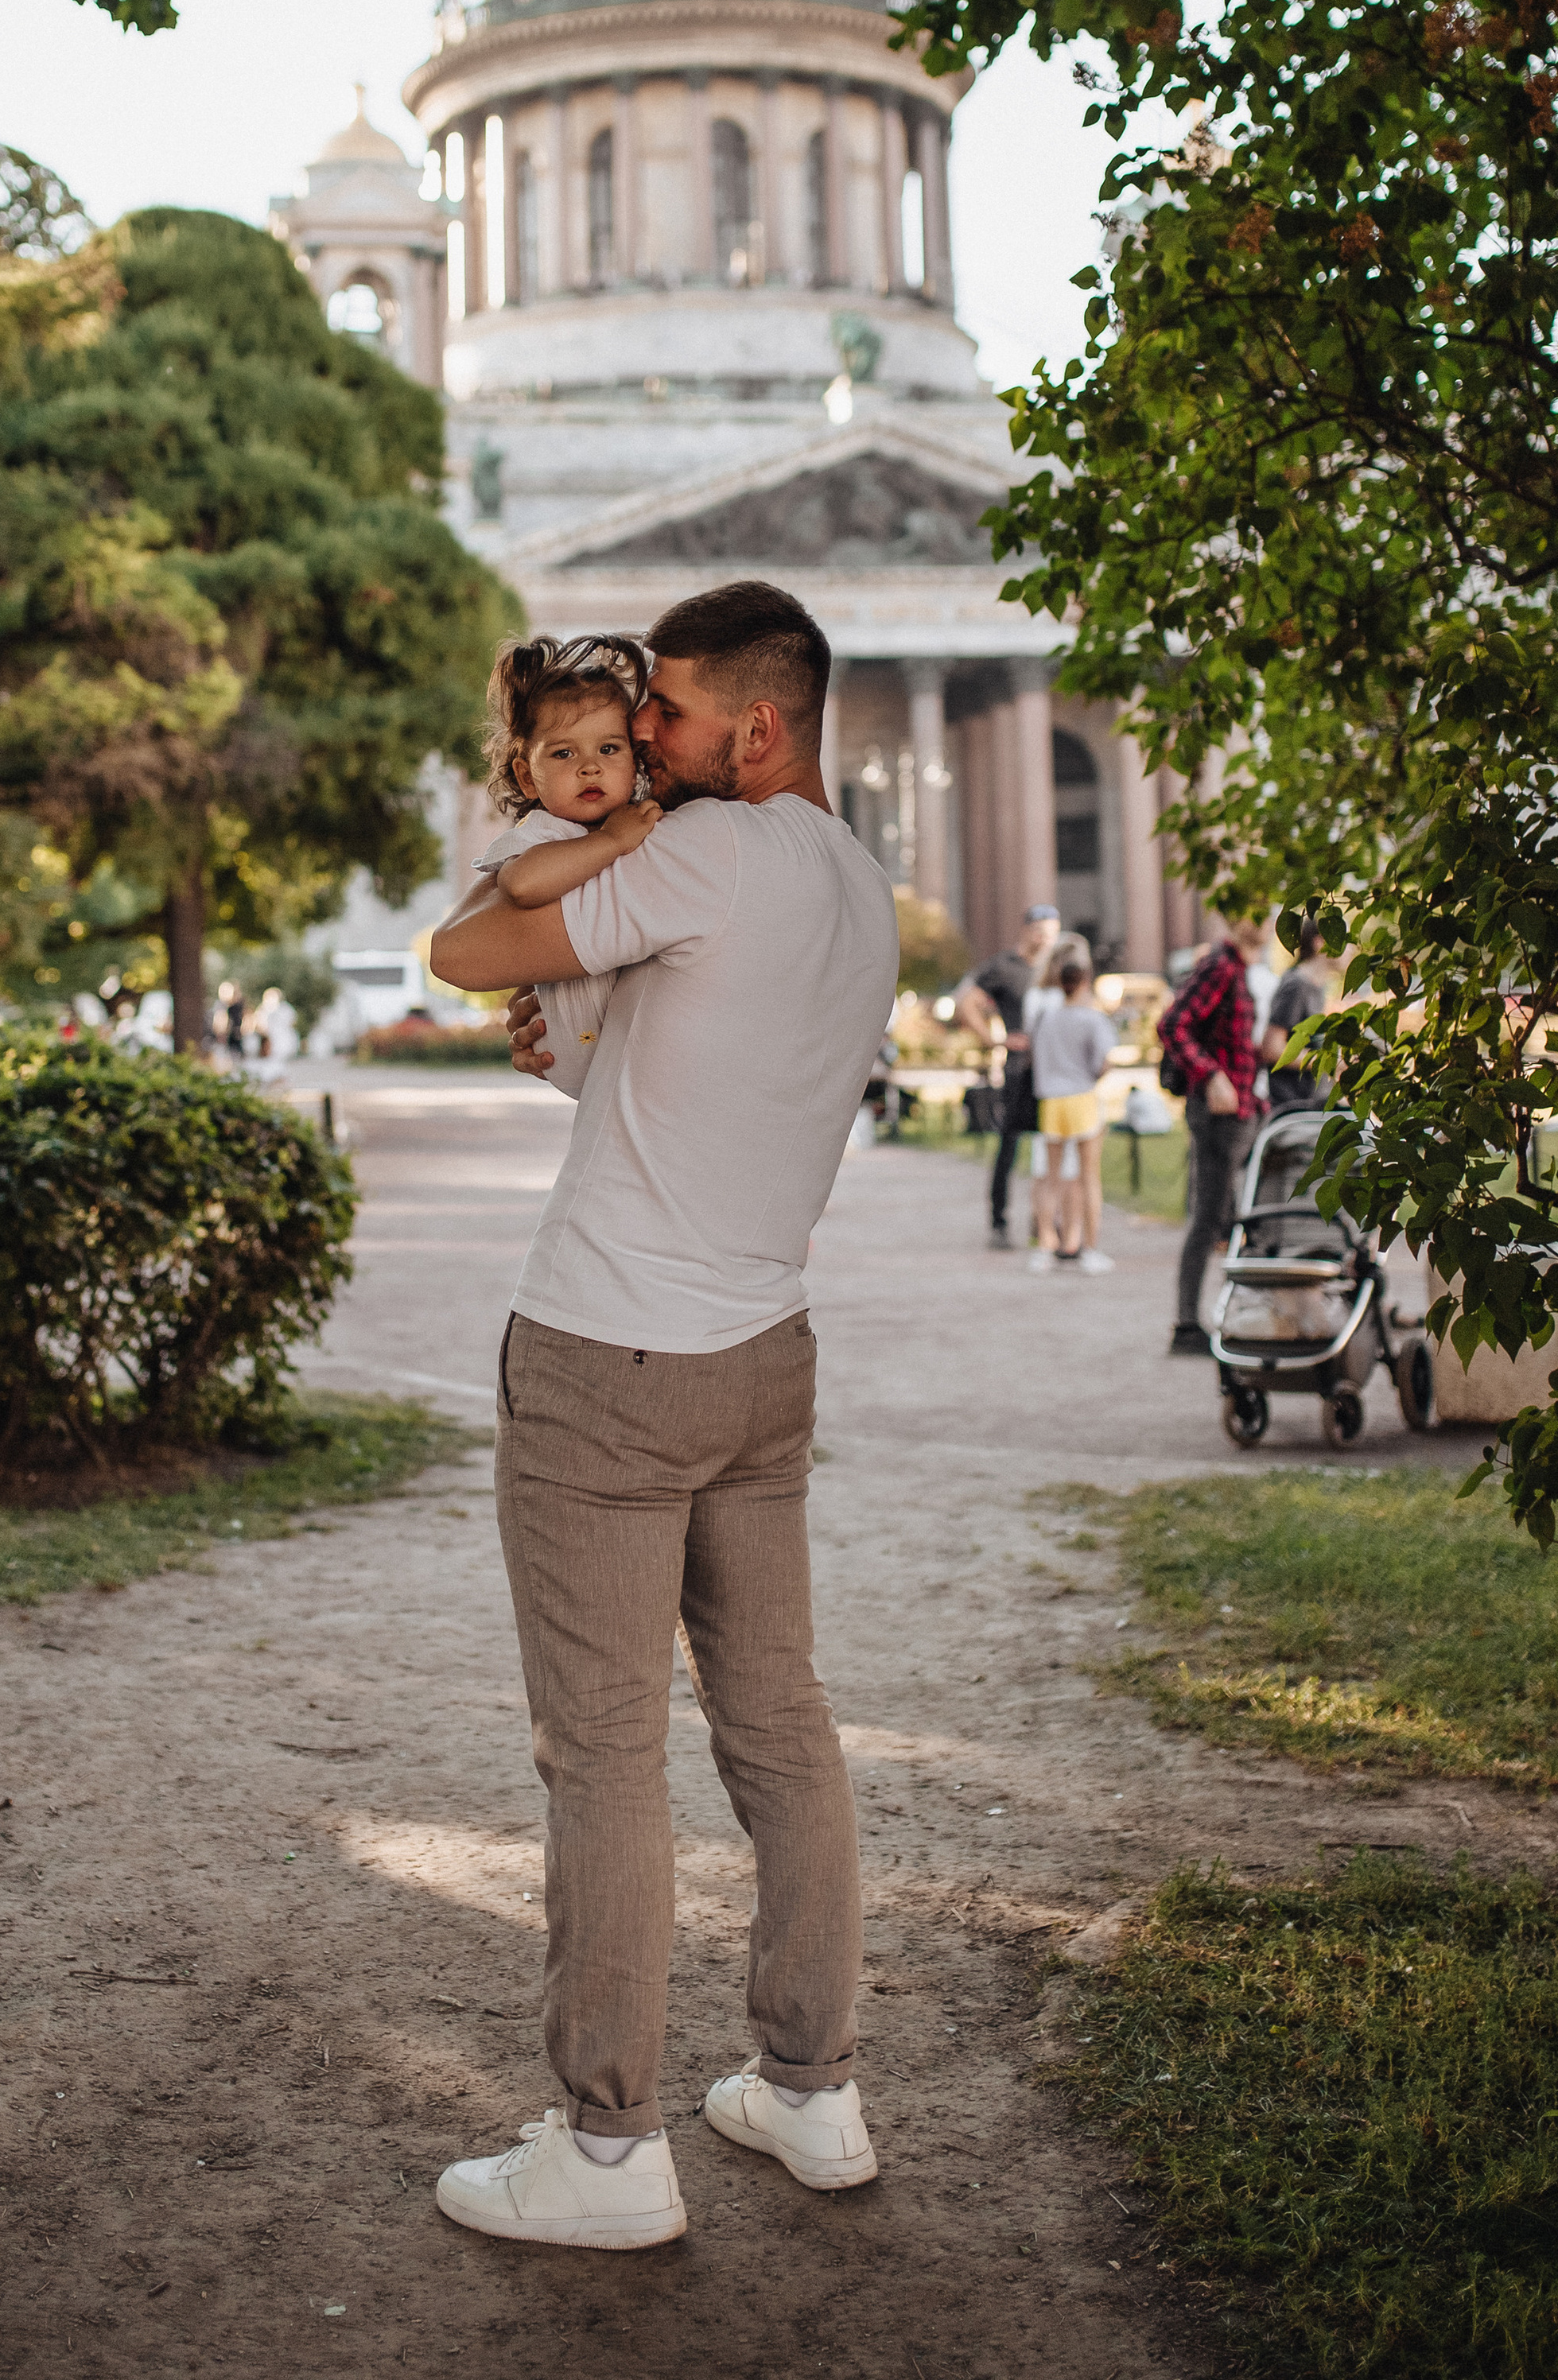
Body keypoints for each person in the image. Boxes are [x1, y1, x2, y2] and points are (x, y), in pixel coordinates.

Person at [426, 579, 899, 2254]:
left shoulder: (704, 848)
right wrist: (575, 1047)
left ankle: (609, 2149)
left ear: (754, 728)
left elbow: (462, 948)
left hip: (606, 1358)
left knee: (606, 1749)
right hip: (762, 1355)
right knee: (780, 1721)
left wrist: (559, 863)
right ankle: (811, 2087)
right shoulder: (856, 884)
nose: (640, 744)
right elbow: (690, 1067)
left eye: (669, 718)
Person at [469, 633, 657, 1084]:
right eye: (564, 753)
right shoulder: (543, 833)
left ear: (635, 762)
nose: (589, 766)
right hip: (573, 1049)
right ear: (527, 777)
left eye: (609, 749)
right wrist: (611, 842)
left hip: (634, 1055)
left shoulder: (640, 821)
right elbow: (522, 884)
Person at [1160, 914, 1270, 1354]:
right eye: (1257, 911)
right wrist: (1210, 1076)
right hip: (1218, 1117)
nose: (1267, 921)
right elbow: (1172, 1024)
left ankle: (1248, 1317)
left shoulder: (1239, 969)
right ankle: (1187, 1326)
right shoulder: (1221, 966)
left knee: (1237, 1218)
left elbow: (1234, 1044)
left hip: (1241, 1112)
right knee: (1209, 1219)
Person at [954, 906, 1061, 1247]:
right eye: (1041, 931)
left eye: (1052, 932)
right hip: (1019, 1071)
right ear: (1027, 930)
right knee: (1009, 1146)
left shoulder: (1056, 967)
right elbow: (966, 1003)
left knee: (1053, 1147)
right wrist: (994, 1040)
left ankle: (1045, 1221)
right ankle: (999, 1222)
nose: (1046, 938)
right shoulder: (1004, 966)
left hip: (1053, 1071)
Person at [1030, 954, 1117, 1275]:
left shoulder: (1046, 1018)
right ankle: (1090, 1249)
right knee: (1088, 1177)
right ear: (1084, 983)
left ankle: (1045, 1246)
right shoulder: (1092, 1019)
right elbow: (1105, 1062)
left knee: (1051, 1178)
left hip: (1052, 1100)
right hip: (1081, 1097)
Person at [1261, 921, 1333, 1113]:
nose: (1351, 947)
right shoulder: (1297, 986)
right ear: (1319, 943)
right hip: (1294, 1109)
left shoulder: (1318, 986)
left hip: (1313, 1106)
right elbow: (1272, 1048)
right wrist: (1326, 1061)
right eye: (1343, 939)